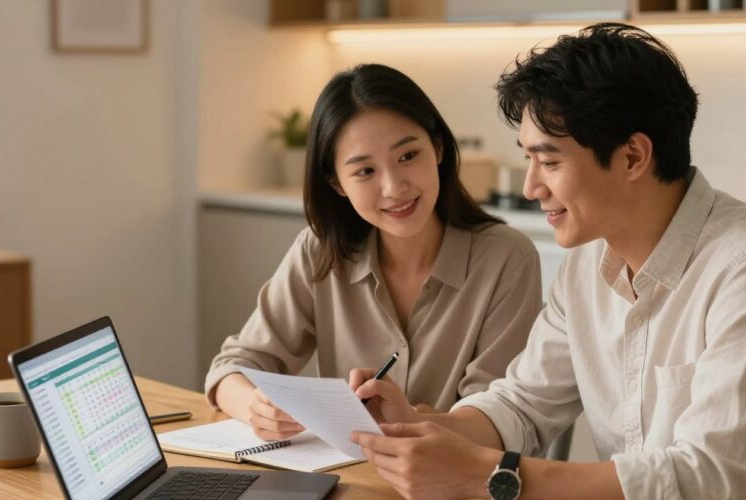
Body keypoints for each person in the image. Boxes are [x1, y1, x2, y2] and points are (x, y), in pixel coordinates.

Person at [349, 24, 746, 500]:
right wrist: (430, 429)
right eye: (528, 159)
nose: (530, 187)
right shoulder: (586, 268)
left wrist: (488, 474)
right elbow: (522, 405)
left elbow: (704, 488)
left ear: (633, 156)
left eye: (548, 161)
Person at [205, 64, 543, 443]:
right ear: (337, 183)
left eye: (408, 156)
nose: (393, 187)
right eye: (365, 171)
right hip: (347, 483)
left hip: (456, 491)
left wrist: (409, 421)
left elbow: (497, 419)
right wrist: (257, 406)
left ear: (438, 148)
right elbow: (231, 368)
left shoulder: (505, 259)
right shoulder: (320, 252)